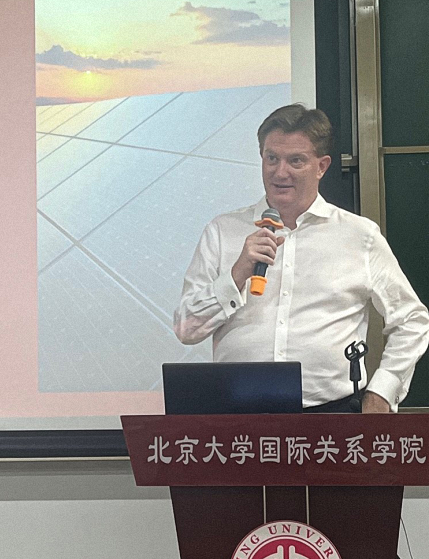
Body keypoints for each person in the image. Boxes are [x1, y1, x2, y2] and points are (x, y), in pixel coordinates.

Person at [173, 104, 429, 413]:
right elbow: (187, 329)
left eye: (295, 160)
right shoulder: (222, 231)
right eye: (272, 158)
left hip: (331, 414)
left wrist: (383, 391)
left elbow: (412, 320)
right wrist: (237, 273)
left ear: (321, 166)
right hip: (236, 414)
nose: (280, 172)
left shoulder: (359, 235)